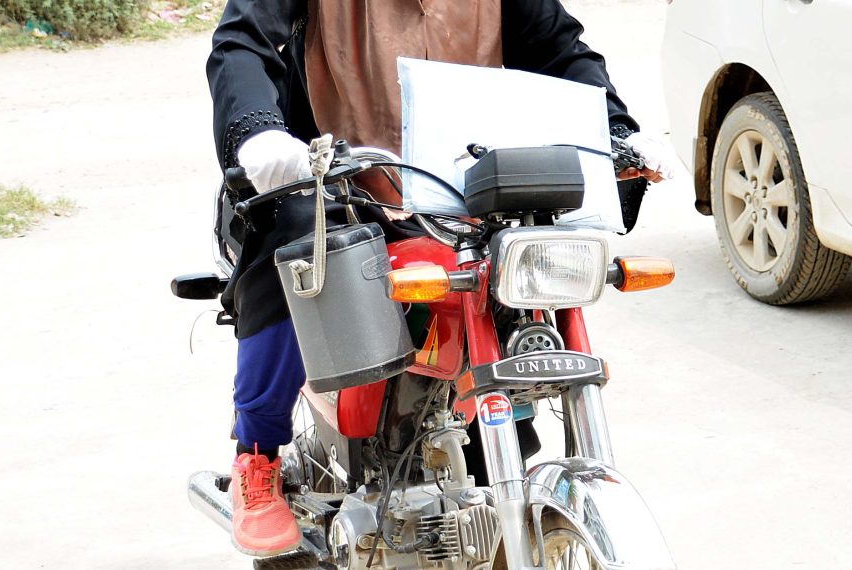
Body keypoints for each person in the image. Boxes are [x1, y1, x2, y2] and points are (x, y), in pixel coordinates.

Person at [206, 0, 675, 557]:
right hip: (335, 176)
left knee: (517, 264)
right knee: (295, 247)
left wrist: (618, 131)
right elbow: (241, 44)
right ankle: (256, 455)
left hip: (459, 181)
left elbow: (561, 50)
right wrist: (259, 135)